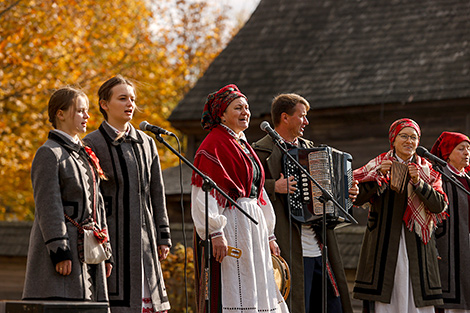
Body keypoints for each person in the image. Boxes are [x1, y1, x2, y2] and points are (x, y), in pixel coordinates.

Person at [252, 93, 356, 313]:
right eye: (302, 116)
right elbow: (245, 189)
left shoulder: (312, 149)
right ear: (285, 117)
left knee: (332, 306)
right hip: (287, 242)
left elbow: (329, 187)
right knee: (298, 305)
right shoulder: (260, 151)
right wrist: (274, 187)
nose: (306, 122)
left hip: (320, 244)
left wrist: (347, 194)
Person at [191, 84, 289, 313]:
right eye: (237, 108)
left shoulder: (243, 143)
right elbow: (203, 193)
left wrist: (269, 234)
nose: (245, 112)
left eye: (247, 107)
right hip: (232, 227)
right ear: (222, 114)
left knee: (257, 286)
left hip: (253, 228)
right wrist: (214, 231)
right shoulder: (213, 144)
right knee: (236, 286)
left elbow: (259, 191)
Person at [83, 75, 171, 313]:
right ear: (104, 104)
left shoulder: (147, 142)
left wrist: (163, 235)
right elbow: (91, 198)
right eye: (122, 98)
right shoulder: (91, 143)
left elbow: (157, 191)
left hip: (145, 238)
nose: (130, 104)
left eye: (132, 99)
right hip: (112, 240)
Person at [23, 87, 112, 302]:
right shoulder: (49, 153)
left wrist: (106, 251)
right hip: (64, 256)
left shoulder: (86, 154)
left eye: (87, 111)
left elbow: (97, 206)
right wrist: (59, 250)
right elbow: (48, 206)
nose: (87, 116)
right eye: (80, 111)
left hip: (91, 251)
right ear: (60, 114)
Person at [352, 118, 448, 313]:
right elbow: (356, 198)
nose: (409, 141)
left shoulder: (427, 170)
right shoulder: (378, 164)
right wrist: (378, 175)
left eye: (414, 137)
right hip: (383, 244)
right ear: (393, 140)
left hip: (418, 246)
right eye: (404, 136)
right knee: (387, 296)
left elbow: (439, 206)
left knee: (416, 298)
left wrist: (418, 182)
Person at [430, 131, 470, 313]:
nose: (467, 153)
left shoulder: (468, 177)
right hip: (449, 246)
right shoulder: (440, 177)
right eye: (461, 148)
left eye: (468, 149)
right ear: (447, 153)